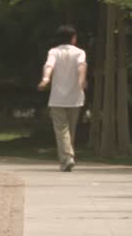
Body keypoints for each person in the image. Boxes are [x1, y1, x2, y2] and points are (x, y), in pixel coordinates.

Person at [38, 25, 87, 172]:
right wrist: (80, 82)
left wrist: (46, 79)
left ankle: (67, 158)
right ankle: (67, 158)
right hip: (75, 96)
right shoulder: (79, 52)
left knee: (62, 130)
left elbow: (49, 65)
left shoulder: (54, 51)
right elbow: (81, 67)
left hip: (58, 97)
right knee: (70, 130)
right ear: (73, 38)